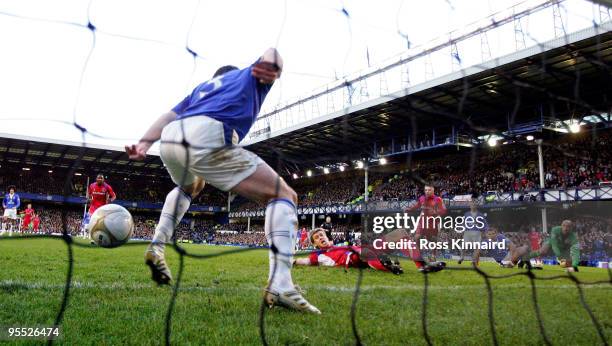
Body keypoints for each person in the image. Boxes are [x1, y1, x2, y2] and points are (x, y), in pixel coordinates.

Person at [125, 48, 320, 314]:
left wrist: (144, 143)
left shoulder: (201, 90)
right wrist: (271, 64)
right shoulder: (245, 78)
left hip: (171, 139)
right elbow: (273, 52)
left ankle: (157, 246)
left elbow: (168, 116)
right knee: (283, 195)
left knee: (191, 186)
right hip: (208, 134)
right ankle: (282, 284)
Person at [293, 228, 403, 274]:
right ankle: (389, 266)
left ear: (327, 236)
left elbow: (356, 248)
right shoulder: (317, 255)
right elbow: (305, 260)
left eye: (321, 235)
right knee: (365, 254)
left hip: (361, 250)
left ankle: (388, 261)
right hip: (353, 259)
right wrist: (292, 261)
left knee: (400, 233)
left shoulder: (338, 246)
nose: (320, 238)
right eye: (317, 238)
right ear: (315, 244)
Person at [514, 220, 581, 272]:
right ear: (561, 226)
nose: (566, 228)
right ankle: (524, 259)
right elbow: (554, 244)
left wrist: (574, 265)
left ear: (571, 228)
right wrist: (559, 255)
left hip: (563, 248)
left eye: (568, 226)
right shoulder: (555, 230)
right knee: (543, 251)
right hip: (551, 241)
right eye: (564, 226)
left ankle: (572, 267)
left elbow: (576, 252)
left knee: (569, 263)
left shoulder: (573, 237)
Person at [405, 185, 447, 262]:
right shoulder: (421, 198)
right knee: (417, 237)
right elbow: (417, 206)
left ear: (433, 191)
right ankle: (419, 255)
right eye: (426, 190)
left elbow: (443, 210)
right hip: (423, 220)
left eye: (429, 190)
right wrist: (409, 209)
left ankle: (433, 255)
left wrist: (436, 212)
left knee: (432, 239)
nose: (427, 191)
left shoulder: (438, 199)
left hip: (432, 221)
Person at [458, 201, 488, 266]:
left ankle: (474, 261)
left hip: (477, 232)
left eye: (474, 205)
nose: (473, 206)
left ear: (476, 206)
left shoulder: (480, 215)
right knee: (463, 246)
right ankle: (462, 257)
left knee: (476, 248)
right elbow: (463, 223)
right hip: (467, 232)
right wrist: (462, 230)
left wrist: (484, 232)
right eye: (472, 204)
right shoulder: (466, 214)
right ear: (470, 206)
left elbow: (485, 224)